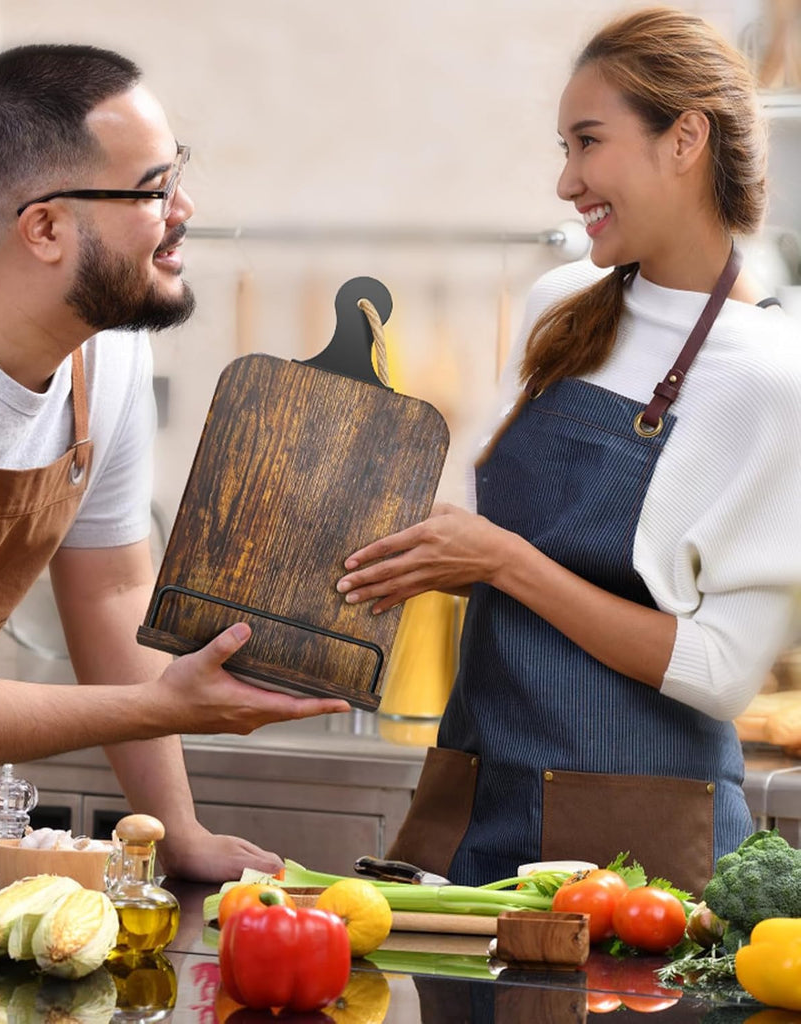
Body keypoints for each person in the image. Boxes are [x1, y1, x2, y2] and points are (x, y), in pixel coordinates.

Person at [0, 43, 348, 879]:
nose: (184, 206)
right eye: (154, 189)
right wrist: (160, 703)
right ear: (44, 226)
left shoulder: (102, 358)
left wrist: (174, 832)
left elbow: (113, 596)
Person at [336, 7, 801, 894]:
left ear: (685, 139)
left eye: (588, 143)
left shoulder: (772, 376)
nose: (565, 181)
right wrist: (427, 547)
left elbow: (718, 674)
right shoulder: (565, 300)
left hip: (636, 846)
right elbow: (501, 536)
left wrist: (503, 563)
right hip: (477, 802)